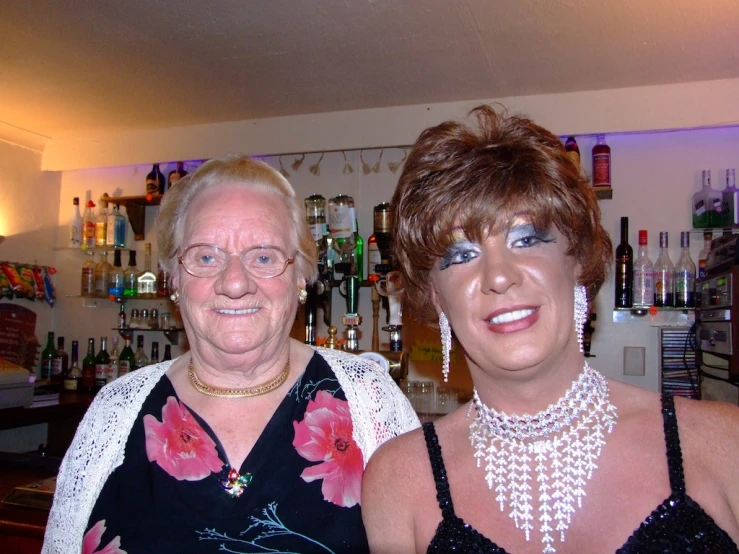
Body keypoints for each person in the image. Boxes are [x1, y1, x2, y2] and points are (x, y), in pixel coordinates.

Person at [362, 106, 739, 553]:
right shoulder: (397, 481)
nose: (498, 276)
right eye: (461, 255)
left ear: (577, 259)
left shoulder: (723, 444)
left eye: (526, 239)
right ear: (436, 296)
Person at [43, 155, 419, 554]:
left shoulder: (369, 399)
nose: (235, 283)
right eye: (207, 256)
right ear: (174, 278)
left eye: (263, 256)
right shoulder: (114, 412)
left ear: (301, 277)